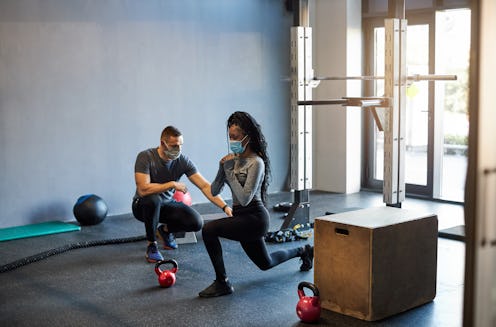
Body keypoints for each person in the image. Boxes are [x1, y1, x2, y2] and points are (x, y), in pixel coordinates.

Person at [198, 111, 314, 298]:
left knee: (209, 230)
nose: (232, 141)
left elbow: (244, 198)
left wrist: (230, 171)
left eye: (235, 137)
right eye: (230, 137)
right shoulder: (232, 162)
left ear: (247, 137)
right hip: (241, 218)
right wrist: (222, 169)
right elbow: (213, 191)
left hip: (254, 219)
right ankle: (303, 251)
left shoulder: (256, 162)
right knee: (265, 263)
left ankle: (222, 282)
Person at [132, 126, 232, 263]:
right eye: (174, 146)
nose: (178, 150)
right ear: (163, 143)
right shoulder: (146, 156)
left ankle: (165, 231)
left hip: (165, 205)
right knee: (153, 200)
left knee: (196, 222)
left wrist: (225, 207)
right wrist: (172, 184)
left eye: (180, 146)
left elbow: (204, 186)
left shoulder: (182, 161)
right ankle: (152, 245)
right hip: (142, 206)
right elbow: (143, 189)